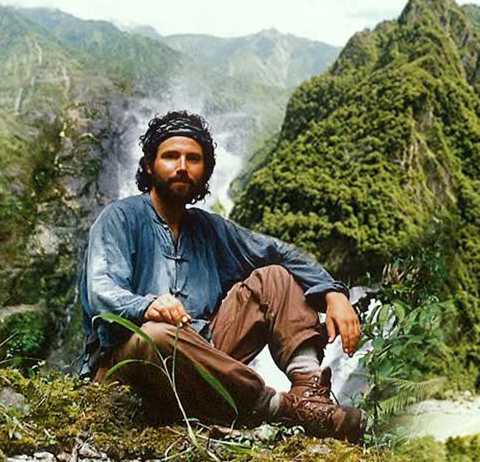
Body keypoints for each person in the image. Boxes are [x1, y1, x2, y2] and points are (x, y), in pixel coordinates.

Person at [77, 110, 366, 442]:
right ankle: (283, 408)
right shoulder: (120, 218)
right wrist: (146, 306)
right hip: (131, 367)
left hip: (204, 358)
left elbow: (280, 253)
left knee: (274, 276)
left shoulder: (210, 229)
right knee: (155, 334)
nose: (182, 166)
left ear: (206, 170)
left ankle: (310, 393)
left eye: (193, 158)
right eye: (171, 156)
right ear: (148, 166)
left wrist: (333, 294)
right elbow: (101, 291)